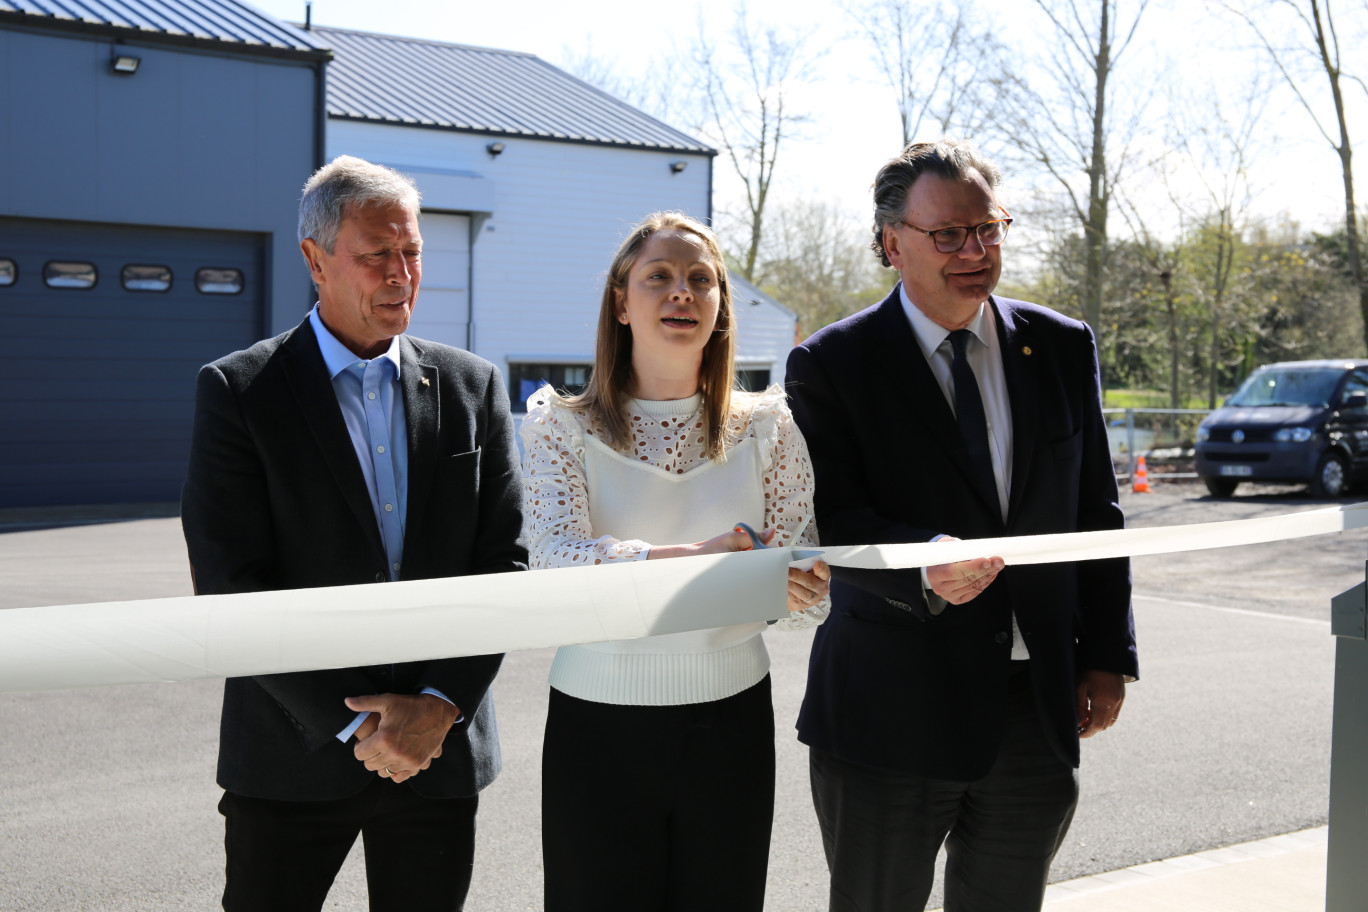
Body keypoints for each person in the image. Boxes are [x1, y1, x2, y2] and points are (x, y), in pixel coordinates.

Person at [786, 140, 1137, 912]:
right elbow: (833, 516)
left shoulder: (1062, 345)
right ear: (891, 243)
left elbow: (1095, 513)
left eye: (990, 228)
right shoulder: (829, 364)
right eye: (950, 234)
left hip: (1034, 711)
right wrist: (921, 561)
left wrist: (1107, 654)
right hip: (889, 713)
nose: (976, 251)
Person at [181, 155, 526, 912]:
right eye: (377, 255)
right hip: (291, 755)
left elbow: (503, 562)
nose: (400, 273)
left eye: (412, 253)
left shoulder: (472, 387)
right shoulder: (240, 393)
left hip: (440, 754)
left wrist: (437, 707)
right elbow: (232, 584)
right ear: (315, 260)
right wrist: (361, 726)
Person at [519, 211, 832, 912]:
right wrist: (696, 557)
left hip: (732, 724)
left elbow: (796, 574)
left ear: (721, 309)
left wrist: (805, 587)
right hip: (596, 726)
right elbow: (553, 561)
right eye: (657, 277)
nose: (681, 292)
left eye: (701, 280)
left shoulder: (769, 427)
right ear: (620, 302)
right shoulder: (559, 425)